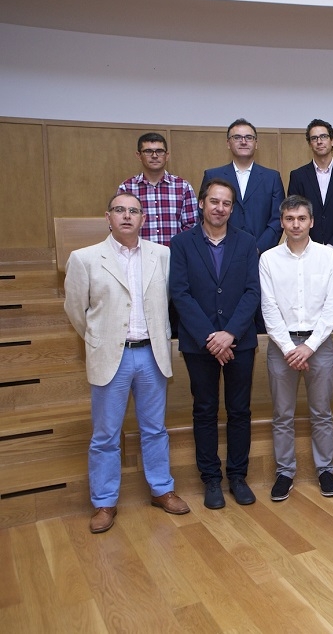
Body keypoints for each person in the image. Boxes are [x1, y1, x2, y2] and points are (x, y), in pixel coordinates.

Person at [64, 192, 190, 534]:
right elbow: (76, 310)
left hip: (152, 355)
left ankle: (161, 490)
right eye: (119, 210)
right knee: (106, 435)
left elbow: (173, 299)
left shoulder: (162, 255)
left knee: (155, 429)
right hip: (111, 356)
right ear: (108, 217)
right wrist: (100, 339)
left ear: (143, 219)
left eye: (133, 211)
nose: (126, 216)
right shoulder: (85, 258)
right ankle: (104, 502)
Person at [170, 179, 261, 509]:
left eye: (226, 203)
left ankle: (237, 476)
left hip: (239, 342)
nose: (220, 208)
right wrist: (211, 337)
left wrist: (230, 333)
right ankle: (210, 479)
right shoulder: (181, 243)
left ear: (232, 209)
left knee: (239, 410)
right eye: (214, 201)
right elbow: (180, 293)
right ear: (201, 203)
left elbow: (253, 291)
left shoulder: (246, 242)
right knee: (205, 410)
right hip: (200, 344)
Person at [259, 195, 333, 502]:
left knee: (322, 412)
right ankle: (284, 472)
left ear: (311, 222)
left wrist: (308, 346)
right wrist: (288, 347)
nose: (296, 224)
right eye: (290, 219)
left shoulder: (328, 256)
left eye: (301, 218)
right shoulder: (268, 259)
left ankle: (325, 470)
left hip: (319, 344)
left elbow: (332, 307)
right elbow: (269, 308)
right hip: (281, 346)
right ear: (282, 222)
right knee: (282, 414)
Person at [201, 118, 285, 254]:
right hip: (220, 252)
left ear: (256, 143)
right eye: (237, 137)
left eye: (249, 137)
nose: (244, 141)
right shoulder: (212, 176)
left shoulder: (272, 178)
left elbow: (277, 219)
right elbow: (204, 214)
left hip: (260, 254)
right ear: (228, 143)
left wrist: (257, 249)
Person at [288, 118, 333, 256]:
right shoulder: (298, 176)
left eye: (323, 136)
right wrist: (311, 247)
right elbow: (295, 213)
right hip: (306, 250)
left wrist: (332, 247)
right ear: (310, 144)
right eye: (314, 138)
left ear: (332, 141)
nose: (319, 141)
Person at [117, 132, 197, 246]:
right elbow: (118, 226)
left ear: (167, 155)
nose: (154, 156)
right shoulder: (126, 188)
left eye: (159, 151)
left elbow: (192, 227)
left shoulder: (183, 187)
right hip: (138, 254)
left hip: (173, 254)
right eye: (148, 151)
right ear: (139, 155)